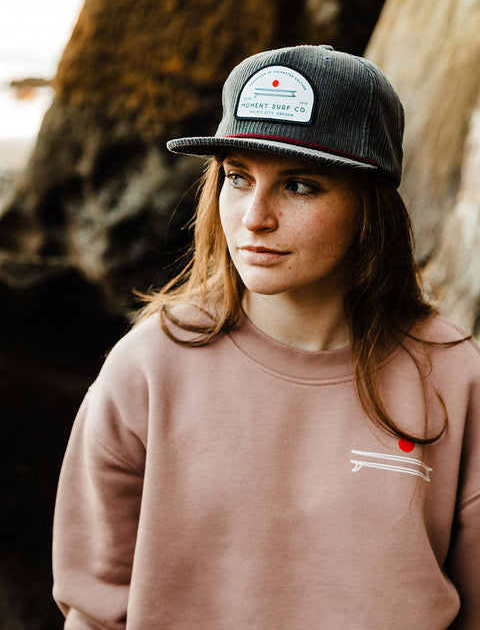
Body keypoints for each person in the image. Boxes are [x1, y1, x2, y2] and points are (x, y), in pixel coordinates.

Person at [52, 45, 480, 630]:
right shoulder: (149, 366)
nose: (254, 216)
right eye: (237, 177)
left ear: (370, 203)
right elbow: (94, 610)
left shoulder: (455, 376)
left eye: (300, 186)